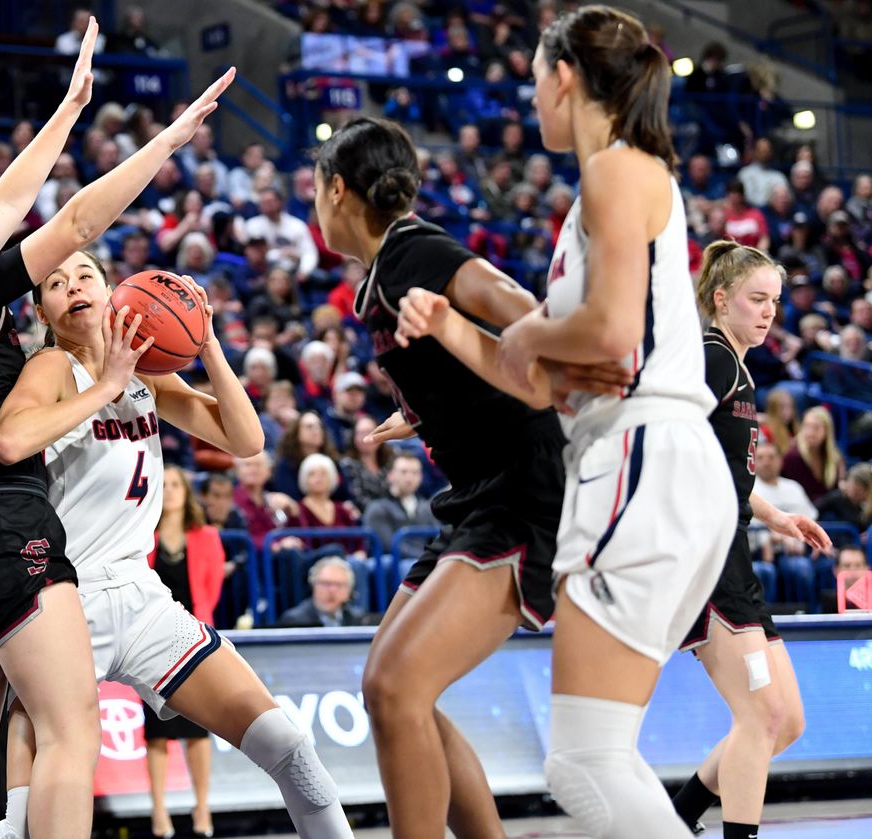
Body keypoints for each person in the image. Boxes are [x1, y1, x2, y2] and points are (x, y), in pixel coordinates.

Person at [0, 17, 235, 833]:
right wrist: (169, 137)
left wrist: (70, 107)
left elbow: (12, 199)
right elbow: (78, 224)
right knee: (71, 728)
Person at [312, 117, 624, 839]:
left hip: (525, 490)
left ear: (336, 189)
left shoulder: (414, 250)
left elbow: (515, 305)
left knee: (396, 688)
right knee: (390, 691)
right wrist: (421, 414)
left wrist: (551, 345)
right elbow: (456, 365)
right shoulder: (382, 275)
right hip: (478, 492)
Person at [0, 251, 351, 839]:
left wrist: (206, 344)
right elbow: (11, 439)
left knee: (290, 748)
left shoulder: (148, 373)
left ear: (114, 293)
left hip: (142, 596)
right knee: (25, 822)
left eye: (85, 276)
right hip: (62, 600)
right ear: (43, 313)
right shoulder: (53, 366)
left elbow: (247, 438)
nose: (73, 287)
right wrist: (105, 386)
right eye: (56, 283)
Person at [490, 8, 741, 836]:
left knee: (582, 761)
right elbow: (572, 367)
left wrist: (529, 333)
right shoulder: (623, 179)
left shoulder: (615, 171)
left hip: (641, 458)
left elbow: (611, 332)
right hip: (658, 458)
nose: (530, 101)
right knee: (610, 751)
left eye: (533, 81)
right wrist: (547, 357)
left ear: (564, 77)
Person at [671, 242, 829, 838]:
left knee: (784, 723)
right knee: (760, 714)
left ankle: (678, 814)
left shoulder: (736, 365)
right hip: (705, 559)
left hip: (734, 552)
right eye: (756, 299)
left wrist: (775, 515)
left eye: (775, 302)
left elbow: (728, 473)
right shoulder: (710, 358)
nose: (768, 312)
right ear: (720, 299)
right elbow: (661, 443)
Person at [143, 465, 225, 837]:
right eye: (166, 485)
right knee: (157, 732)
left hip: (192, 640)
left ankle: (202, 808)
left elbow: (211, 590)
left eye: (177, 484)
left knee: (197, 731)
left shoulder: (206, 536)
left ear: (187, 492)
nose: (172, 491)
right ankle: (159, 811)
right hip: (150, 642)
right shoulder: (143, 535)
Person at [363, 451, 439, 561]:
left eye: (415, 473)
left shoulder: (427, 508)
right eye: (404, 472)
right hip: (396, 565)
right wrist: (424, 559)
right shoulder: (377, 508)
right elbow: (388, 546)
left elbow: (437, 539)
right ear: (390, 475)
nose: (409, 478)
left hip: (423, 562)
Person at [276, 556, 366, 627]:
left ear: (349, 591)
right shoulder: (295, 620)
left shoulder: (358, 619)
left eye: (339, 585)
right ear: (313, 585)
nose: (332, 590)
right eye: (326, 584)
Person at [781, 406, 844, 502]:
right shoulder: (792, 457)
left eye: (816, 428)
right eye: (807, 426)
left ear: (827, 431)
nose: (810, 433)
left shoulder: (834, 458)